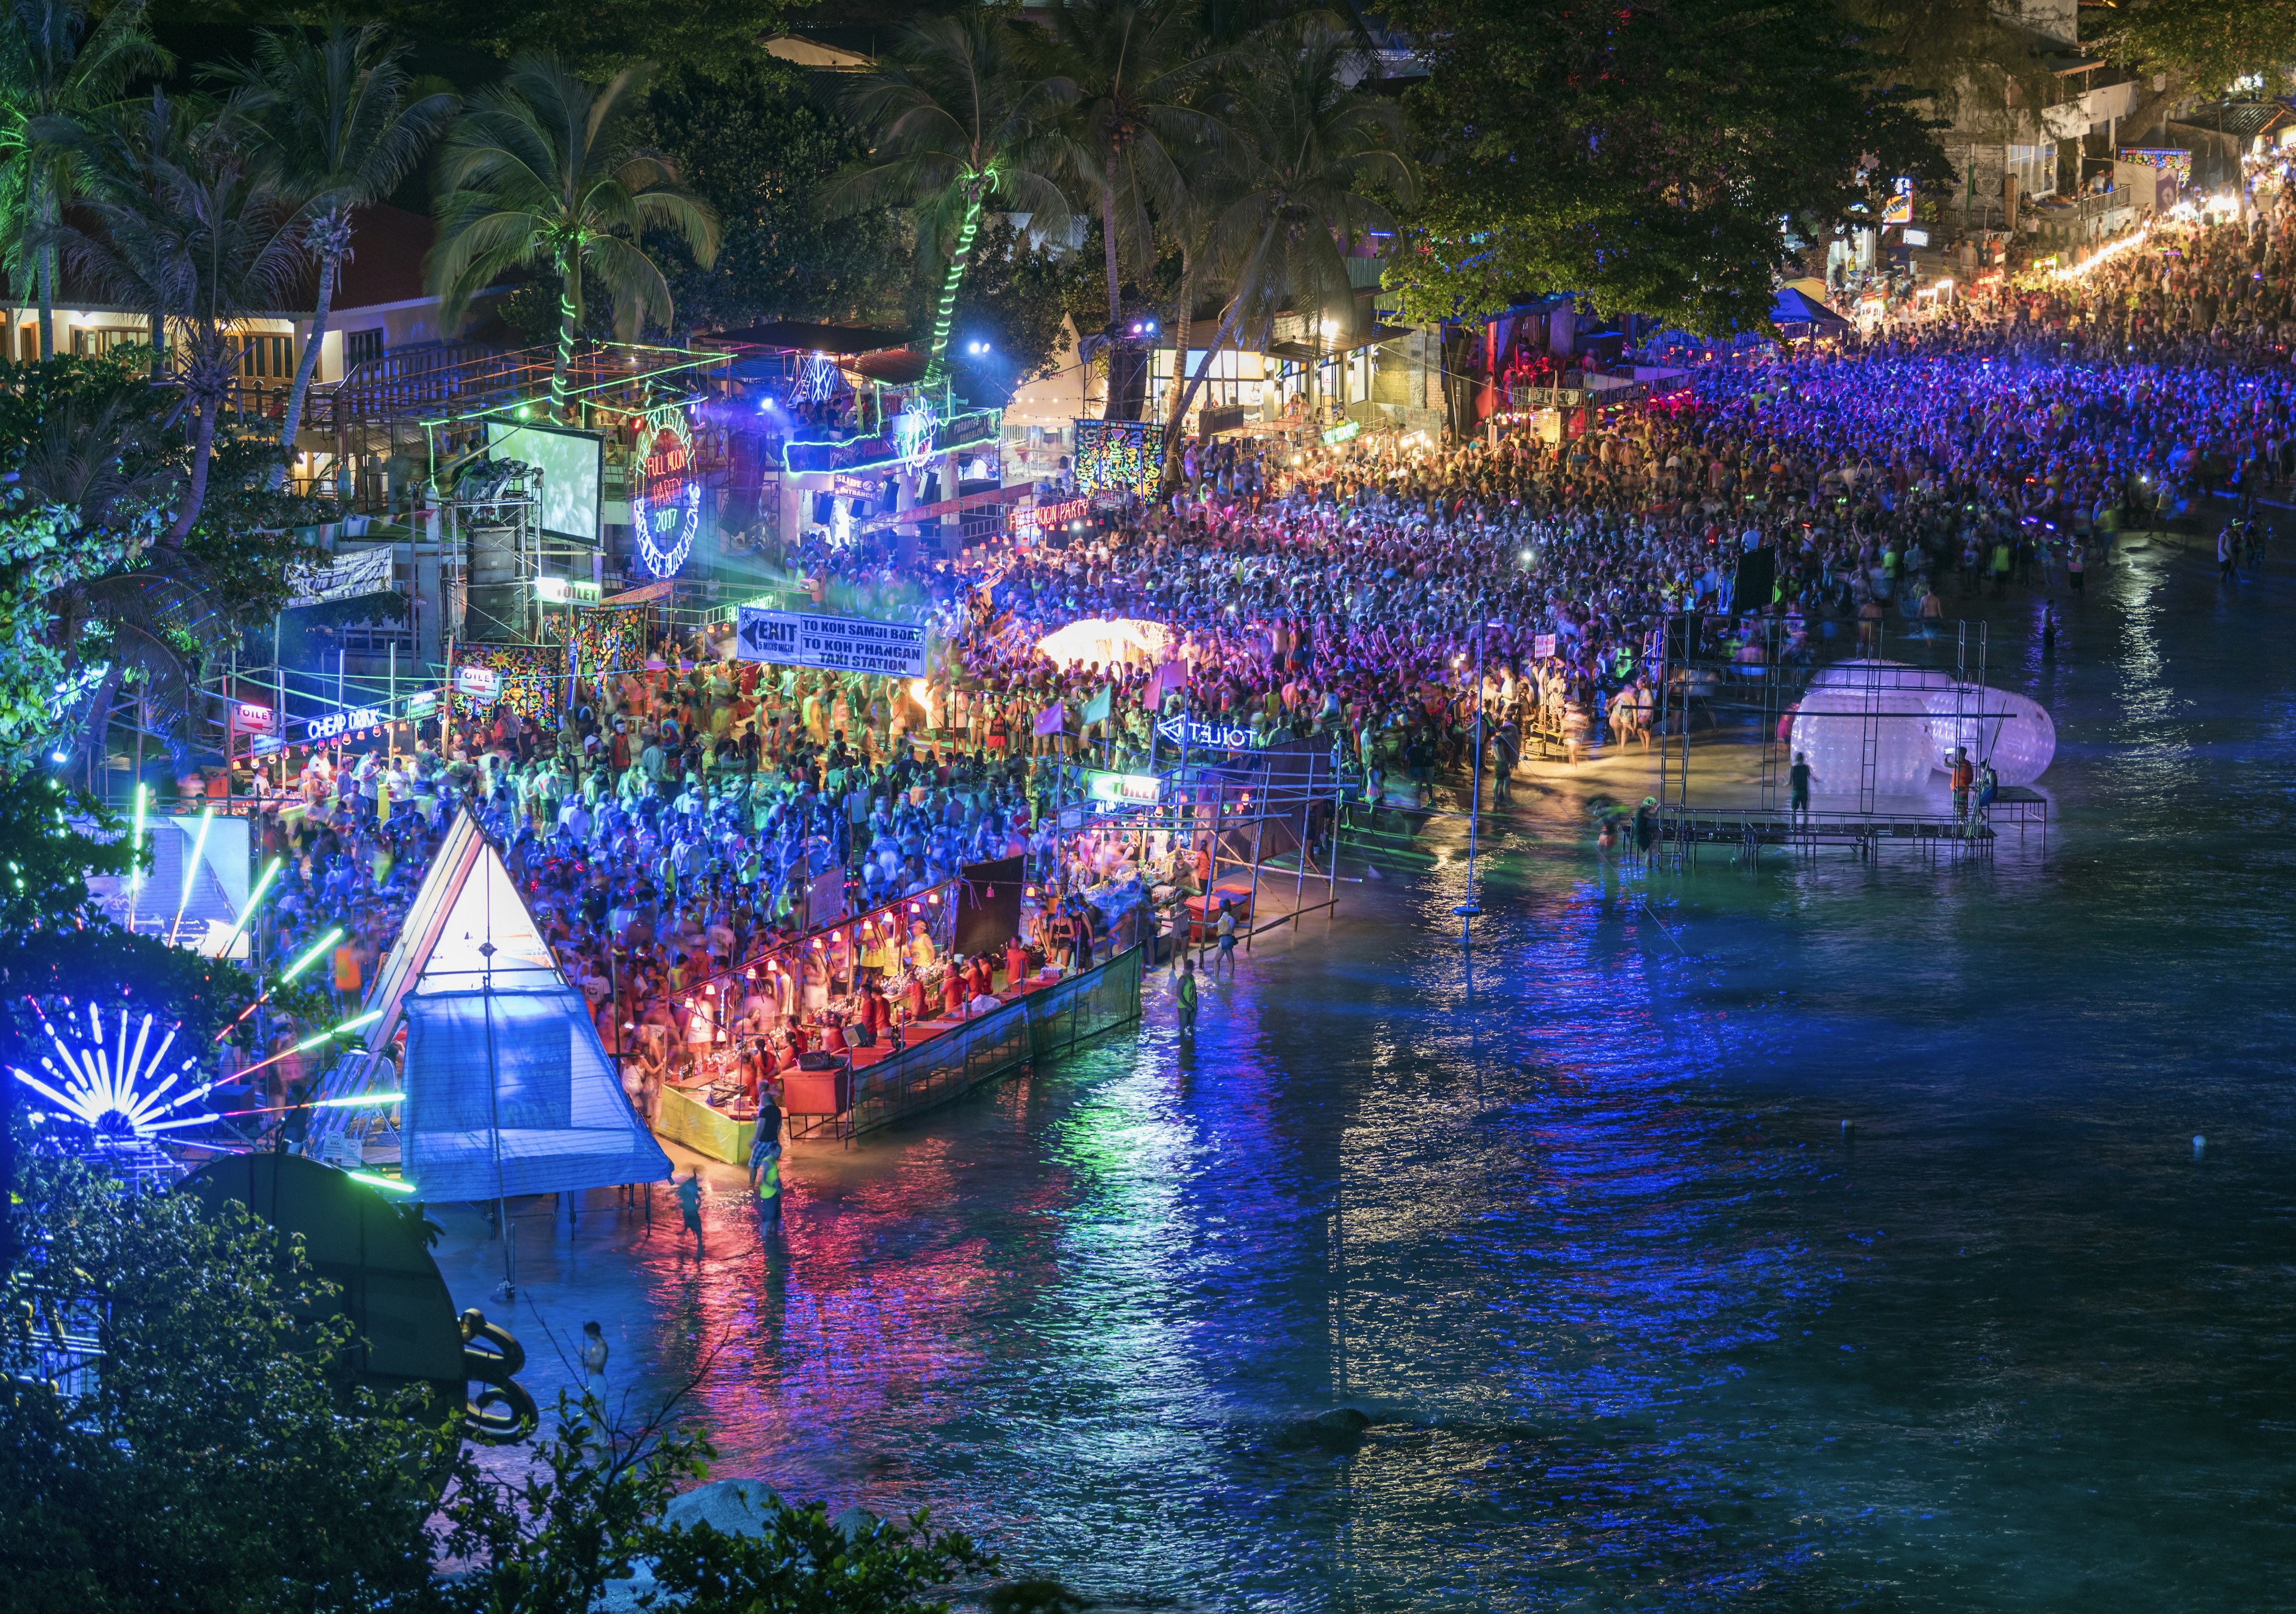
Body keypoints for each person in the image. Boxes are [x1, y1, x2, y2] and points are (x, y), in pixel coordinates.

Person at [579, 1322, 609, 1408]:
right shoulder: (597, 1344)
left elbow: (600, 1365)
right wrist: (586, 1352)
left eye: (587, 1334)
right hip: (593, 1378)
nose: (587, 1336)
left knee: (599, 1409)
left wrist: (587, 1365)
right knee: (591, 1408)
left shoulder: (602, 1346)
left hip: (597, 1379)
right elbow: (596, 1356)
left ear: (592, 1334)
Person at [674, 1169, 703, 1249]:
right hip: (693, 1211)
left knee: (687, 1225)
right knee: (698, 1231)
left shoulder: (686, 1187)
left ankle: (681, 1242)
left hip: (688, 1210)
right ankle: (699, 1243)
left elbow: (681, 1197)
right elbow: (698, 1198)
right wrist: (698, 1204)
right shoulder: (691, 1187)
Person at [1212, 898, 1236, 976]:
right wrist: (1214, 925)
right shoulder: (1228, 915)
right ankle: (1231, 976)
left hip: (1224, 939)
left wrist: (1227, 929)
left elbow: (1229, 921)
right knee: (1231, 960)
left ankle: (1216, 977)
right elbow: (1226, 922)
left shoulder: (1225, 915)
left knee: (1217, 960)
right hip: (1228, 939)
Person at [1949, 747, 1974, 826]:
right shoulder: (1968, 763)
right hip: (1965, 788)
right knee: (1963, 806)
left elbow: (1946, 764)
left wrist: (1946, 757)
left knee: (1958, 806)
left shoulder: (1957, 764)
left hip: (1958, 789)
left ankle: (1962, 822)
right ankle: (1965, 820)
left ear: (1959, 754)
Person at [1175, 955, 1198, 1035]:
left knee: (1192, 1025)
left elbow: (1195, 992)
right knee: (1183, 1026)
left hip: (1192, 1005)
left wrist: (1195, 1004)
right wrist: (1188, 1006)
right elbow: (1179, 994)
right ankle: (1183, 1043)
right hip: (1183, 1007)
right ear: (1192, 969)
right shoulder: (1183, 979)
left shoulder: (1191, 978)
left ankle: (1191, 1042)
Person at [1789, 751, 1813, 821]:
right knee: (1805, 811)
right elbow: (1811, 777)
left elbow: (1789, 782)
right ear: (1803, 759)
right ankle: (1805, 827)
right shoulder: (1806, 768)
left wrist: (1782, 783)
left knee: (1793, 810)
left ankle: (1793, 827)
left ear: (1796, 759)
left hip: (1795, 792)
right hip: (1804, 792)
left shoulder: (1793, 769)